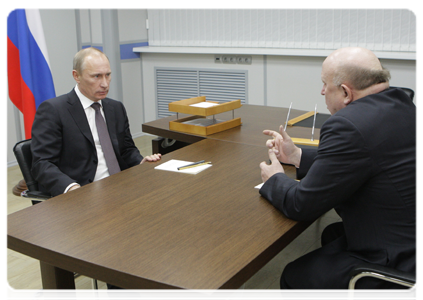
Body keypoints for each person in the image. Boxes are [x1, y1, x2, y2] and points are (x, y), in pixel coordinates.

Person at [259, 47, 419, 300]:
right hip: (410, 236)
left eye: (325, 84)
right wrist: (296, 156)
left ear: (345, 92)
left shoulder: (348, 124)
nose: (322, 91)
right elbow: (364, 159)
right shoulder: (403, 106)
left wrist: (275, 179)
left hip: (401, 262)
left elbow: (301, 205)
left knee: (295, 276)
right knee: (332, 234)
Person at [31, 47, 161, 300]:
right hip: (84, 199)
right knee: (122, 244)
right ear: (76, 76)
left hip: (121, 191)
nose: (105, 84)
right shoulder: (54, 109)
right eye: (96, 77)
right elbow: (42, 163)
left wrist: (141, 161)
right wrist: (71, 189)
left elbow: (126, 149)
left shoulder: (114, 108)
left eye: (108, 75)